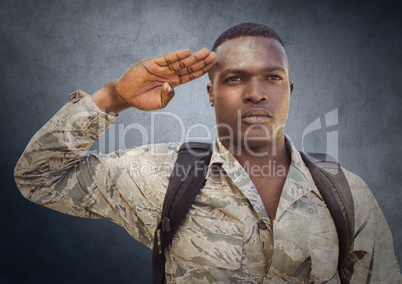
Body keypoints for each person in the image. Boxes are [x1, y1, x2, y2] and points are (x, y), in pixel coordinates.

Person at [14, 23, 401, 283]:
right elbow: (40, 178)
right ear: (210, 92)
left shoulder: (345, 191)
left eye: (273, 77)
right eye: (235, 78)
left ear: (290, 90)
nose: (255, 93)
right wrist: (113, 98)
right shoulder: (162, 177)